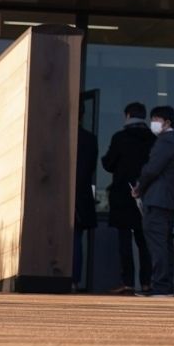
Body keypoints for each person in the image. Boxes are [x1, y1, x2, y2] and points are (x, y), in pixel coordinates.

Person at [101, 102, 156, 295]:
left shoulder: (120, 138)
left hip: (122, 196)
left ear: (128, 115)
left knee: (124, 241)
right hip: (145, 195)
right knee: (144, 242)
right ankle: (147, 282)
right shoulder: (152, 139)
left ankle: (128, 282)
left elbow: (108, 163)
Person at [133, 105, 174, 297]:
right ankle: (165, 286)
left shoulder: (166, 142)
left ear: (167, 122)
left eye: (156, 119)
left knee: (157, 246)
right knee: (164, 244)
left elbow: (151, 169)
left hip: (157, 200)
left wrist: (140, 188)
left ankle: (160, 287)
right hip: (166, 200)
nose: (153, 123)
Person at [73, 120, 99, 291]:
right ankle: (74, 280)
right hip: (82, 197)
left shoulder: (59, 134)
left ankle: (65, 278)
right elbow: (90, 168)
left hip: (62, 197)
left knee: (71, 239)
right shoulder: (90, 139)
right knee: (76, 241)